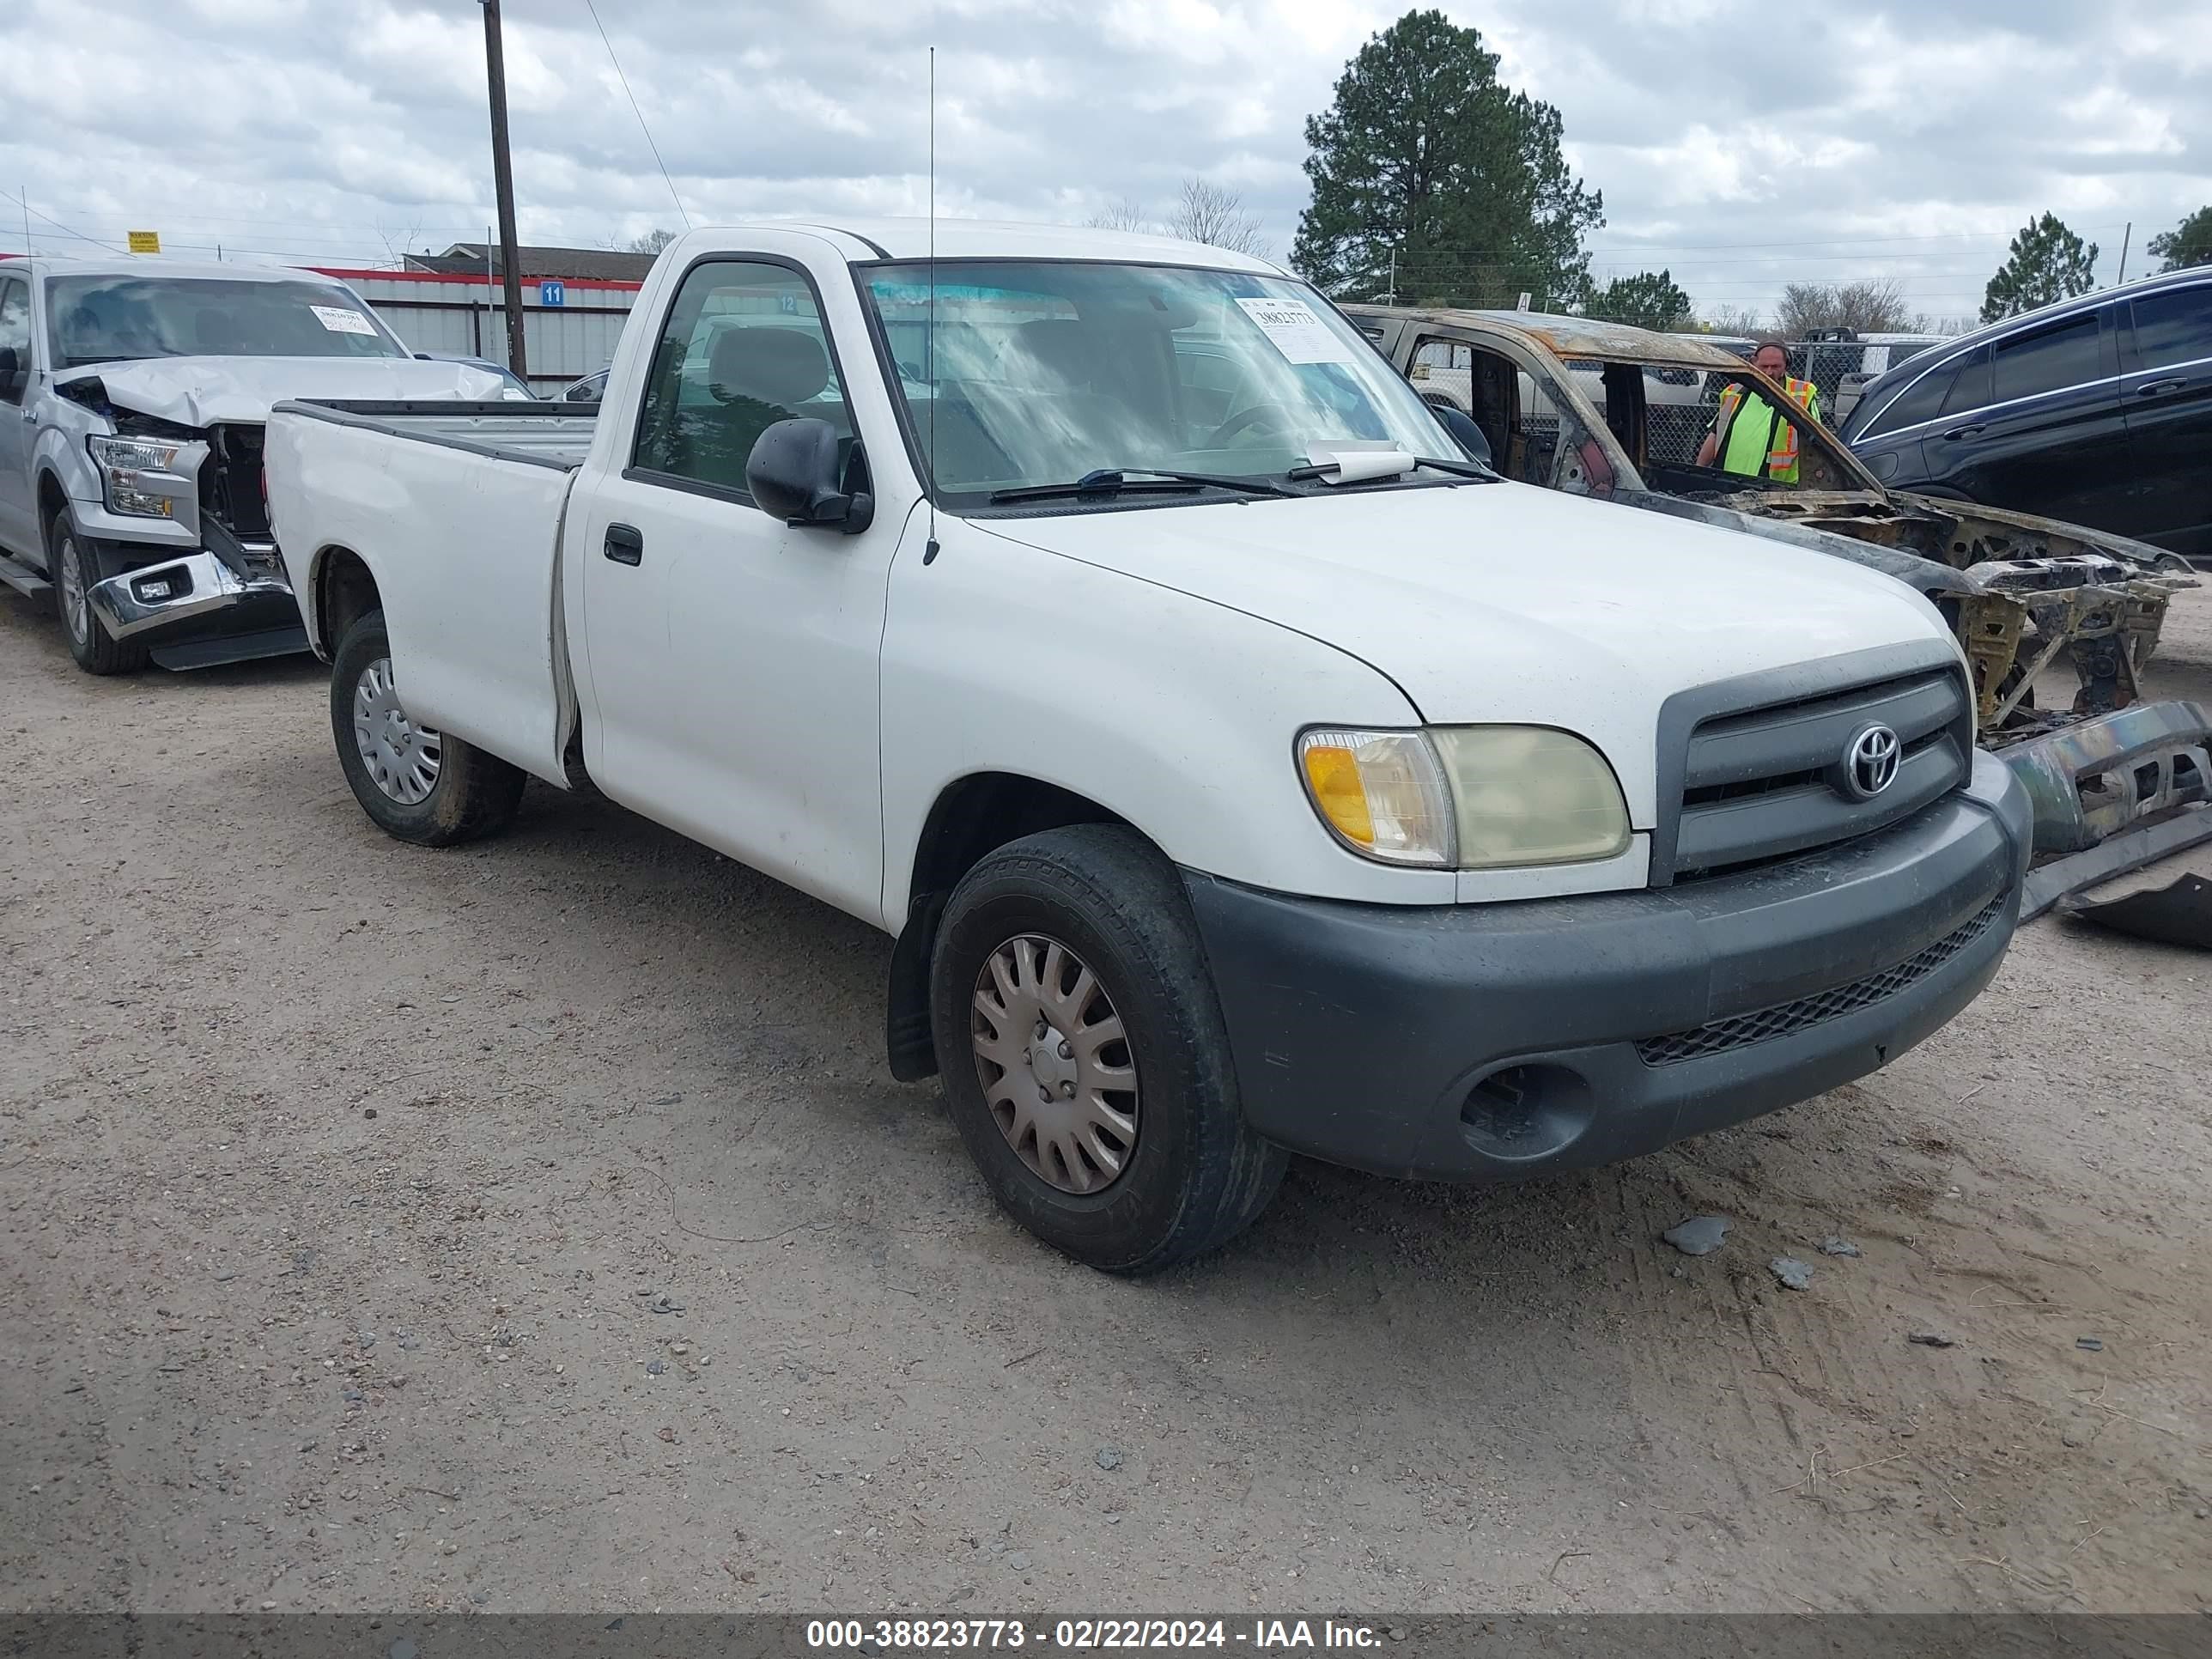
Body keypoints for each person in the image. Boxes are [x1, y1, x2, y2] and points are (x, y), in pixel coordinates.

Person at [1696, 339, 1820, 483]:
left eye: (1775, 366)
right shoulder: (1733, 393)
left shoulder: (1803, 394)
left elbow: (1815, 444)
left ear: (1787, 365)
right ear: (1754, 363)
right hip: (1727, 481)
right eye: (1764, 366)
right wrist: (1699, 471)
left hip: (1775, 487)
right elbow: (1715, 434)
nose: (1769, 372)